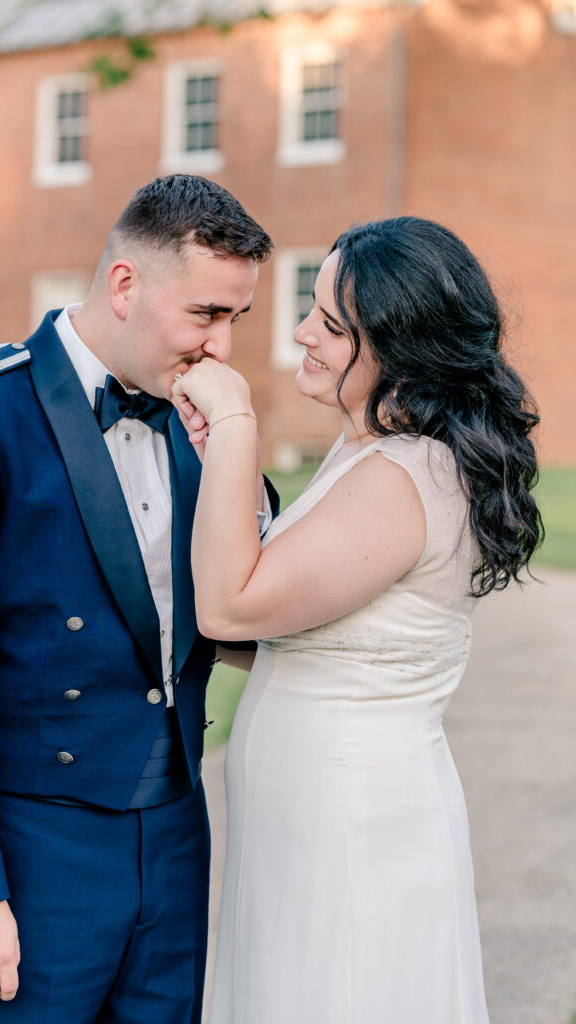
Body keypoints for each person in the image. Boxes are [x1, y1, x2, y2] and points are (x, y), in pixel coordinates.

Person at [0, 174, 276, 1023]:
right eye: (206, 315)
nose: (220, 348)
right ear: (125, 284)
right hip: (32, 852)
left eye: (234, 320)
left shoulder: (198, 416)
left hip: (175, 835)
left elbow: (256, 592)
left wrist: (232, 460)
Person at [172, 216, 542, 1024]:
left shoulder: (405, 476)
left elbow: (229, 602)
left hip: (350, 828)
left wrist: (235, 426)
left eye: (331, 325)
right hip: (307, 817)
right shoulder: (368, 449)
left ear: (401, 347)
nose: (301, 332)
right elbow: (270, 634)